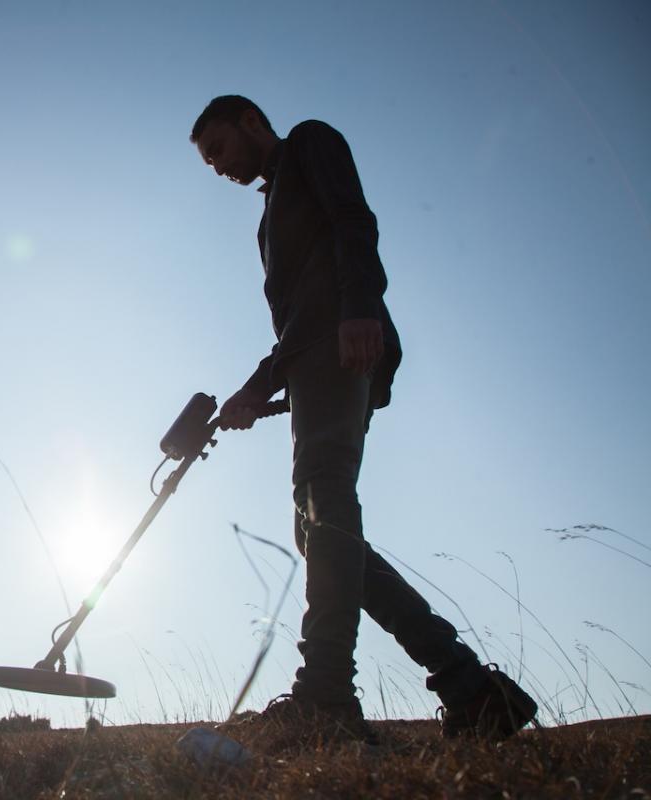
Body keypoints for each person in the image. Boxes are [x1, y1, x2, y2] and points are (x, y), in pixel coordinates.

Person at [190, 95, 537, 744]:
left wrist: (359, 309)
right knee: (320, 531)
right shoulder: (268, 215)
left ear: (250, 122)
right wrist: (254, 390)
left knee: (326, 514)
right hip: (313, 359)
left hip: (342, 344)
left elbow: (353, 221)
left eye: (220, 149)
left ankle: (325, 695)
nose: (219, 167)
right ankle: (469, 687)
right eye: (209, 162)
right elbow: (296, 320)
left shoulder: (309, 143)